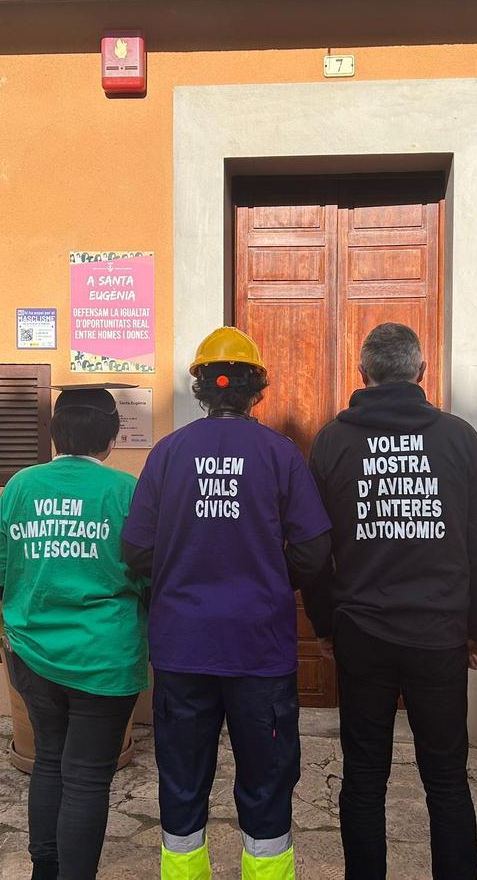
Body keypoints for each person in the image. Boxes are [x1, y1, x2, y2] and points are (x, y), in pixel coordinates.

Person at [121, 327, 332, 880]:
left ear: (202, 389)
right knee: (267, 780)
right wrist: (271, 579)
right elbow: (313, 550)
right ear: (255, 390)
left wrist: (180, 574)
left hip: (182, 648)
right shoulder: (280, 454)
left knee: (183, 778)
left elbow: (136, 549)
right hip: (259, 649)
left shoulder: (168, 453)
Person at [302, 322, 477, 880]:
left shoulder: (333, 442)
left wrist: (323, 624)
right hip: (439, 634)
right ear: (421, 373)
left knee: (364, 775)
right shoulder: (458, 438)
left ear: (363, 375)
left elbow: (314, 550)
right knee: (446, 777)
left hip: (362, 633)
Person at [0, 384, 148, 880]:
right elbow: (148, 569)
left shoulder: (21, 487)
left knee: (49, 759)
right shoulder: (125, 491)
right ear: (112, 438)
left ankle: (44, 868)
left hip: (32, 654)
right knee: (89, 778)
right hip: (104, 655)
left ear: (53, 434)